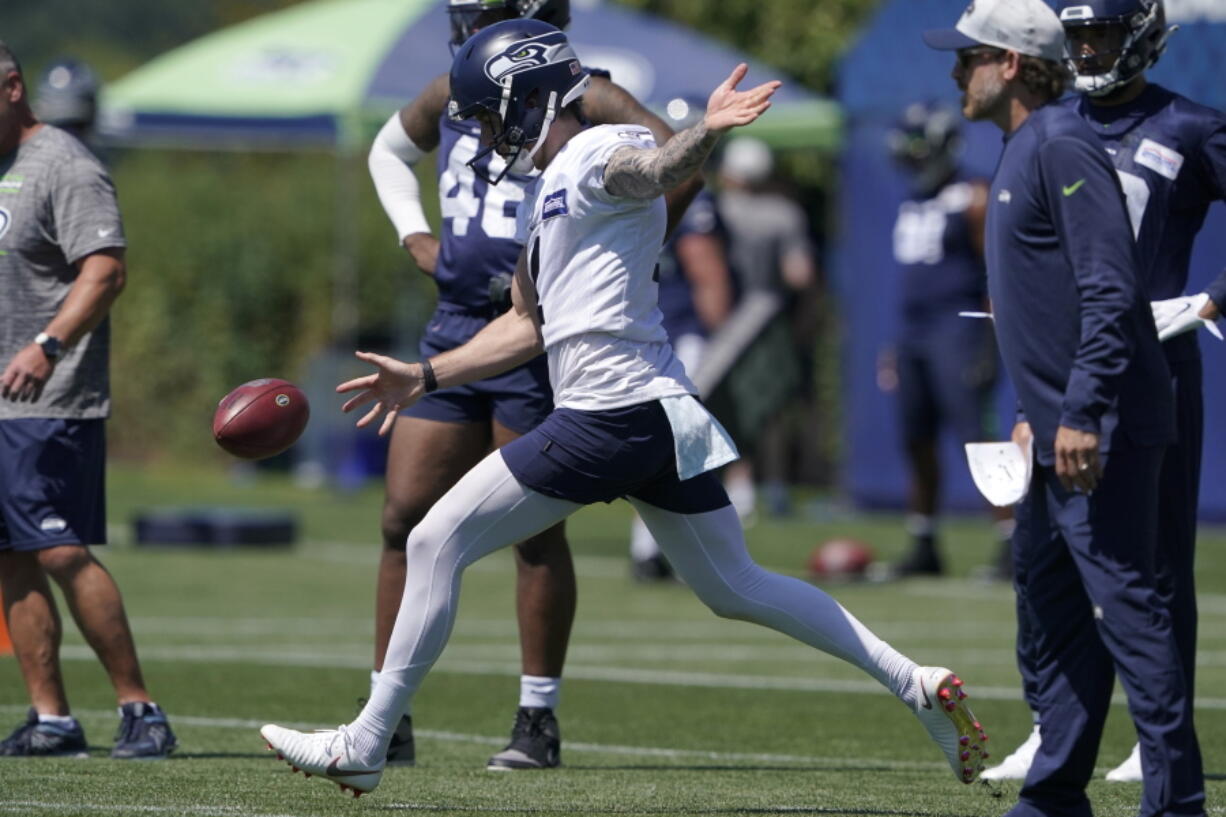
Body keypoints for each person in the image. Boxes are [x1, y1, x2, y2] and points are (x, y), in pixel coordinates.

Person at [261, 19, 990, 799]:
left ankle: (367, 741)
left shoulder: (590, 152)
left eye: (486, 112)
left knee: (435, 536)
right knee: (735, 586)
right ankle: (916, 681)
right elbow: (528, 325)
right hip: (656, 409)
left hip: (607, 413)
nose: (479, 132)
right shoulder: (552, 184)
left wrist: (702, 131)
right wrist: (427, 375)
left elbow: (650, 167)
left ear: (525, 99)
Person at [365, 0, 695, 769]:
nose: (468, 22)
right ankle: (390, 704)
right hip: (456, 324)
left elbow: (676, 166)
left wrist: (620, 252)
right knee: (404, 515)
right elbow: (387, 149)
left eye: (484, 10)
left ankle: (536, 716)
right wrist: (413, 232)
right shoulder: (452, 88)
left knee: (535, 530)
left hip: (538, 333)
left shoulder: (590, 90)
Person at [923, 2, 1204, 816]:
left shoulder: (1060, 143)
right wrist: (1031, 410)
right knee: (1053, 612)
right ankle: (1055, 796)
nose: (954, 71)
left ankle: (1177, 803)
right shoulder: (1026, 148)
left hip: (1102, 428)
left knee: (1130, 613)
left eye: (968, 56)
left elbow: (1111, 289)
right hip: (1055, 431)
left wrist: (1080, 411)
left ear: (1011, 62)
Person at [0, 40, 176, 759]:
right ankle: (53, 718)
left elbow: (104, 272)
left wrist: (47, 344)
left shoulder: (65, 164)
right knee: (12, 556)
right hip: (2, 403)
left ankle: (142, 710)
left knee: (60, 549)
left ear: (12, 88)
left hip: (49, 397)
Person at [875, 101, 1013, 580]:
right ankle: (924, 543)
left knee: (979, 440)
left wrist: (991, 343)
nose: (913, 160)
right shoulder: (914, 199)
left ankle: (1015, 544)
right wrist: (895, 345)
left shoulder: (974, 195)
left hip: (958, 330)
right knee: (917, 441)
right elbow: (913, 284)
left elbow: (996, 275)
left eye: (919, 149)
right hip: (915, 334)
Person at [628, 95, 734, 582]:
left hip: (659, 332)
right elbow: (708, 274)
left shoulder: (645, 188)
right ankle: (664, 548)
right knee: (672, 442)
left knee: (670, 442)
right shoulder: (691, 192)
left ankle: (660, 548)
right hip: (670, 333)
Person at [715, 136, 819, 519]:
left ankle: (733, 483)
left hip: (720, 321)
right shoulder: (782, 213)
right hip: (767, 318)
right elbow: (799, 273)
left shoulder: (713, 207)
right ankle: (772, 486)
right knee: (771, 409)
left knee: (725, 407)